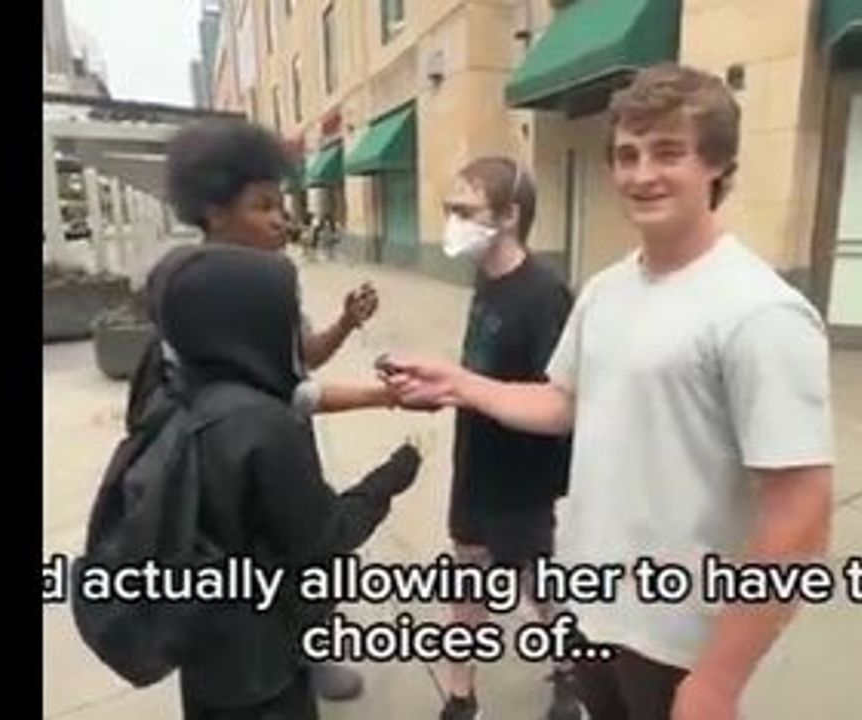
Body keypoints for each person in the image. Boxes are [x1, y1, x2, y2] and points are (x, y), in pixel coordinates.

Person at [383, 63, 834, 720]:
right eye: (627, 154)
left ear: (717, 164)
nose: (641, 174)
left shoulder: (761, 312)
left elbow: (801, 514)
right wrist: (460, 384)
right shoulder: (606, 291)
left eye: (668, 152)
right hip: (591, 610)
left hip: (679, 638)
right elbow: (562, 403)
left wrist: (718, 679)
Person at [126, 118, 389, 702]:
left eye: (282, 204)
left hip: (279, 447)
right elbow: (285, 397)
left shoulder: (272, 284)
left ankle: (312, 645)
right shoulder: (190, 296)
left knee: (306, 555)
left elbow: (300, 362)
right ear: (215, 211)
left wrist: (346, 323)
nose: (281, 220)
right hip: (237, 468)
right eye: (263, 205)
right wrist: (383, 399)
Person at [146, 243, 422, 720]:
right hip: (264, 665)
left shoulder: (176, 392)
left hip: (204, 651)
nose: (295, 330)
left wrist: (379, 391)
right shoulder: (262, 424)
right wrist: (395, 474)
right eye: (285, 315)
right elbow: (326, 537)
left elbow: (302, 384)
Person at [430, 157, 579, 720]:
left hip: (523, 475)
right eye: (449, 209)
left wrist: (466, 387)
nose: (452, 221)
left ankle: (569, 670)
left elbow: (556, 400)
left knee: (536, 581)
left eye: (464, 210)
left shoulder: (545, 295)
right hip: (475, 461)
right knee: (467, 574)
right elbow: (481, 367)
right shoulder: (484, 279)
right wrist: (446, 389)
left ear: (510, 215)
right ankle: (461, 694)